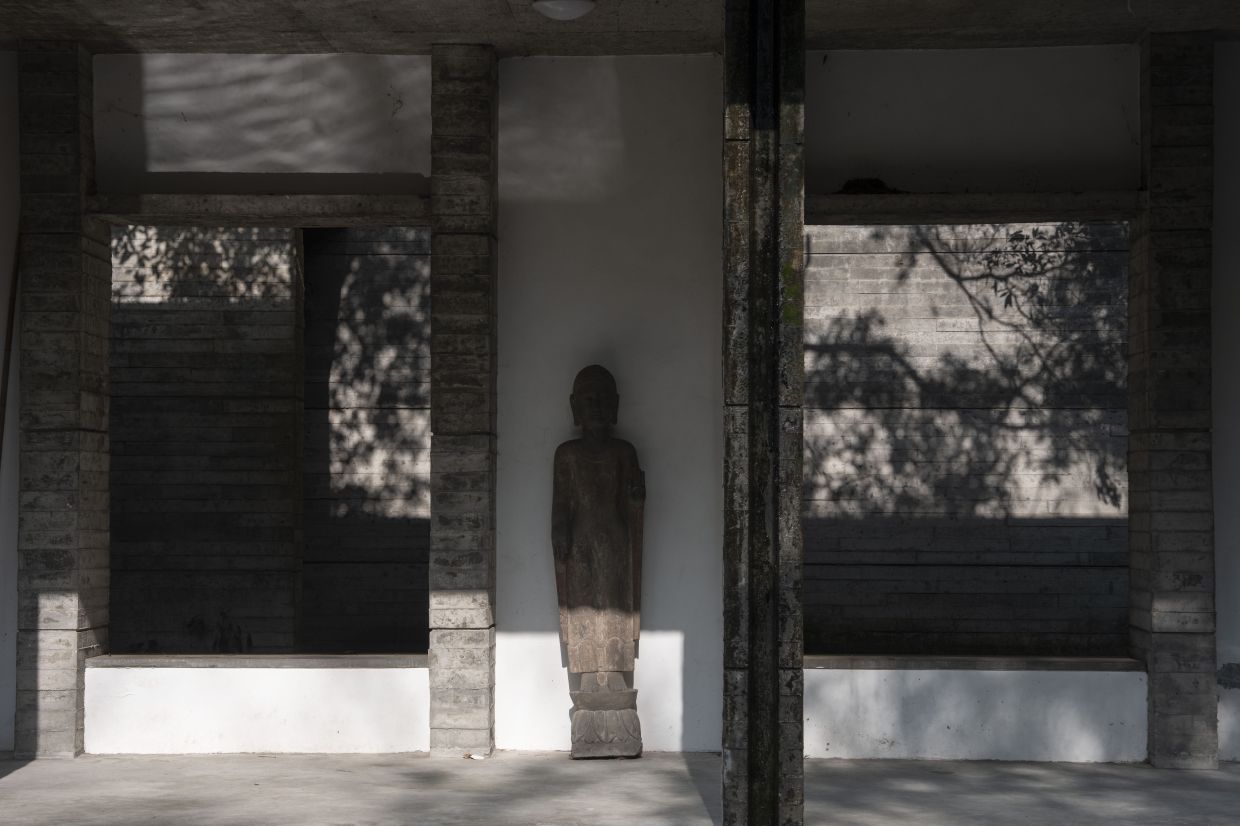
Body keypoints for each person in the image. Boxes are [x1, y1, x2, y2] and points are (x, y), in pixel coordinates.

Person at [551, 364, 645, 693]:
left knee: (615, 601)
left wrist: (636, 498)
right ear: (575, 406)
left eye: (603, 398)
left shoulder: (624, 452)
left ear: (615, 405)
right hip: (579, 542)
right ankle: (588, 673)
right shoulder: (566, 455)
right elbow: (560, 504)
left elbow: (634, 504)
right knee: (583, 602)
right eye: (588, 399)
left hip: (617, 540)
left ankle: (616, 672)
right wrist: (559, 531)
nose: (596, 405)